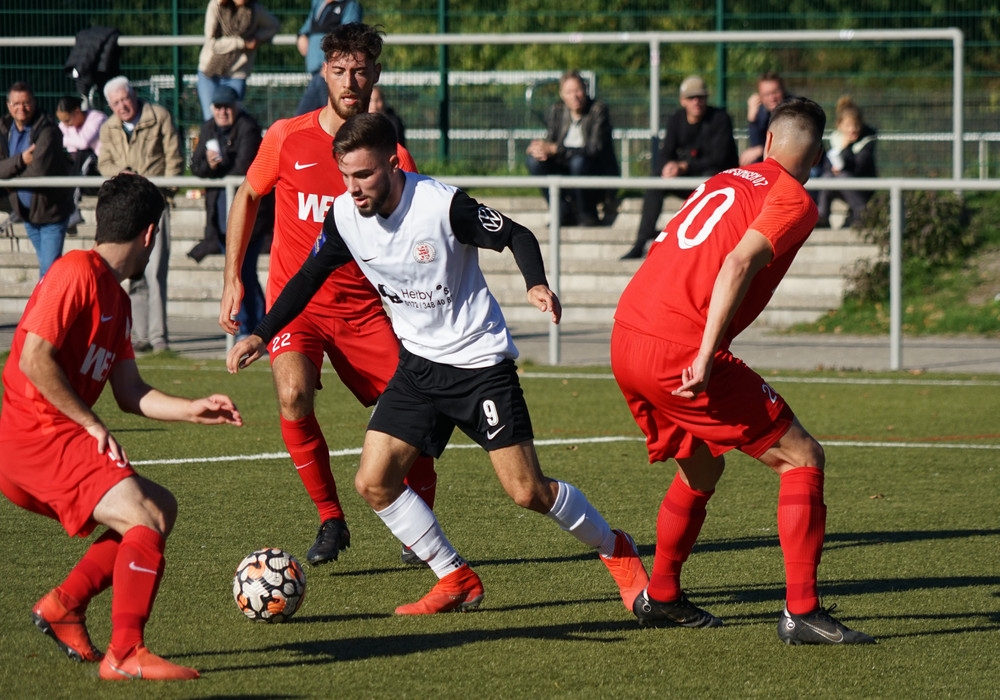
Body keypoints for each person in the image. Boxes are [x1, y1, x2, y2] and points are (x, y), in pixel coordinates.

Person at [227, 111, 649, 616]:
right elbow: (307, 277)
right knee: (374, 481)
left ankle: (616, 548)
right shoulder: (344, 216)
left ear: (393, 162)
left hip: (479, 364)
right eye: (345, 176)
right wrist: (261, 332)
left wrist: (535, 283)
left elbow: (518, 235)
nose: (353, 188)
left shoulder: (442, 205)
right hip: (419, 367)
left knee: (527, 491)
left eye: (364, 175)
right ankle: (455, 577)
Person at [611, 98, 875, 645]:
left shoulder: (724, 178)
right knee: (802, 458)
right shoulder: (793, 197)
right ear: (817, 154)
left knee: (701, 470)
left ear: (768, 141)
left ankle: (662, 594)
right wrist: (706, 353)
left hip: (627, 334)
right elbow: (736, 263)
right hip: (679, 346)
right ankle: (802, 611)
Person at [0, 173, 243, 681]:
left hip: (50, 436)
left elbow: (130, 392)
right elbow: (33, 359)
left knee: (159, 508)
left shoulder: (119, 299)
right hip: (34, 436)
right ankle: (125, 652)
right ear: (150, 234)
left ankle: (65, 605)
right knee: (143, 515)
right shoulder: (75, 272)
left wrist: (192, 408)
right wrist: (90, 423)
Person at [220, 23, 438, 568]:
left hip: (364, 311)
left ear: (376, 75)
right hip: (298, 308)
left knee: (415, 416)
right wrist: (233, 278)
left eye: (360, 71)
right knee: (293, 393)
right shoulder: (286, 137)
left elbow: (415, 237)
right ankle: (330, 518)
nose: (349, 82)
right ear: (324, 73)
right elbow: (247, 195)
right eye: (339, 70)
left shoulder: (395, 158)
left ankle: (419, 527)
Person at [99, 76, 184, 353]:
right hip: (126, 207)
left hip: (155, 203)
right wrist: (120, 174)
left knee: (156, 273)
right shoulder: (108, 128)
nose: (122, 106)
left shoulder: (159, 116)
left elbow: (174, 158)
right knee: (133, 271)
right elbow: (103, 162)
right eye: (116, 103)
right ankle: (139, 335)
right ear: (110, 106)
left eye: (125, 98)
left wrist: (164, 190)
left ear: (134, 94)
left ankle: (159, 336)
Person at [620, 75, 738, 259]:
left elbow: (719, 159)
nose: (696, 101)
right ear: (683, 100)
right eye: (691, 97)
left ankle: (701, 247)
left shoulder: (720, 119)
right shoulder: (676, 119)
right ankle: (642, 241)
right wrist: (668, 167)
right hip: (690, 179)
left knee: (711, 178)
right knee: (655, 181)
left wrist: (684, 166)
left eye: (701, 97)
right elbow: (665, 153)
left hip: (716, 182)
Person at [189, 85, 273, 337]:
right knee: (236, 274)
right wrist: (210, 165)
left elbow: (243, 168)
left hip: (251, 217)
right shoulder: (208, 127)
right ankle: (251, 327)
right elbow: (196, 166)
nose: (222, 112)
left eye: (227, 106)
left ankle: (255, 327)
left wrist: (220, 163)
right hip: (221, 216)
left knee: (244, 273)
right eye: (218, 107)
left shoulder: (248, 127)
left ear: (236, 107)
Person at [526, 70, 619, 228]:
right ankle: (562, 211)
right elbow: (551, 141)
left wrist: (556, 149)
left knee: (578, 162)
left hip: (594, 170)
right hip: (565, 168)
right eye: (569, 92)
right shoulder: (557, 110)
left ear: (585, 90)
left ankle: (587, 214)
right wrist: (539, 149)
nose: (574, 96)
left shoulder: (598, 110)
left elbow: (594, 149)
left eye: (578, 90)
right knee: (533, 161)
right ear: (562, 94)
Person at [0, 82, 75, 276]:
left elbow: (38, 171)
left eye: (26, 103)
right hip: (27, 214)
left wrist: (9, 172)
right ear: (8, 105)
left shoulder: (48, 130)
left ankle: (48, 298)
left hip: (51, 213)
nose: (21, 108)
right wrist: (21, 160)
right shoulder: (4, 130)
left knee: (49, 271)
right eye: (16, 103)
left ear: (34, 103)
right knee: (48, 269)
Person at [196, 0, 279, 121]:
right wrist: (242, 43)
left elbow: (274, 25)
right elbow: (212, 43)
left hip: (237, 71)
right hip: (209, 70)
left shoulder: (254, 10)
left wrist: (257, 38)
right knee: (211, 117)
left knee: (233, 117)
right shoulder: (215, 6)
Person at [815, 96, 877, 229]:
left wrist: (845, 149)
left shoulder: (866, 141)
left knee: (843, 177)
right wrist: (832, 168)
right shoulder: (835, 139)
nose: (852, 129)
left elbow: (859, 167)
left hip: (861, 184)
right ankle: (822, 216)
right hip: (840, 183)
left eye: (856, 125)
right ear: (839, 125)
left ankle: (862, 214)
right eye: (848, 125)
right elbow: (827, 165)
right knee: (827, 176)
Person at [295, 0, 363, 116]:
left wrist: (331, 65)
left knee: (333, 116)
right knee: (305, 118)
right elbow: (307, 26)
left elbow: (348, 38)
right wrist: (301, 35)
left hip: (331, 75)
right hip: (317, 74)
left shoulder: (350, 5)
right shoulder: (318, 3)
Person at [56, 95, 107, 233]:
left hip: (99, 170)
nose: (65, 125)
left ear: (77, 111)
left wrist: (66, 140)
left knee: (84, 153)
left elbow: (84, 143)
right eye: (62, 121)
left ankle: (72, 210)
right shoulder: (66, 125)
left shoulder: (98, 118)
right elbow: (56, 138)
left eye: (67, 120)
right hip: (80, 169)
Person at [739, 71, 788, 167]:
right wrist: (752, 119)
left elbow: (791, 147)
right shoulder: (762, 112)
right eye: (766, 94)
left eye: (775, 92)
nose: (772, 98)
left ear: (783, 91)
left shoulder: (793, 111)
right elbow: (755, 145)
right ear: (759, 96)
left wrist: (760, 150)